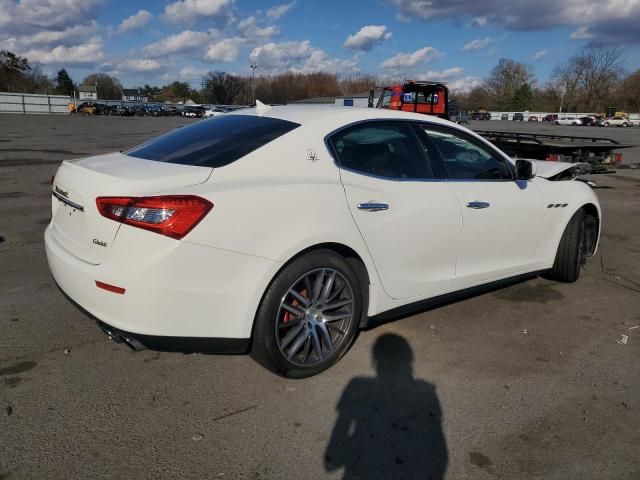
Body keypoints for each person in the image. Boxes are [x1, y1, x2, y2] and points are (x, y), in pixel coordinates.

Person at [325, 334, 448, 479]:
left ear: (375, 361)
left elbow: (336, 445)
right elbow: (438, 452)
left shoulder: (357, 385)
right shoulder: (426, 393)